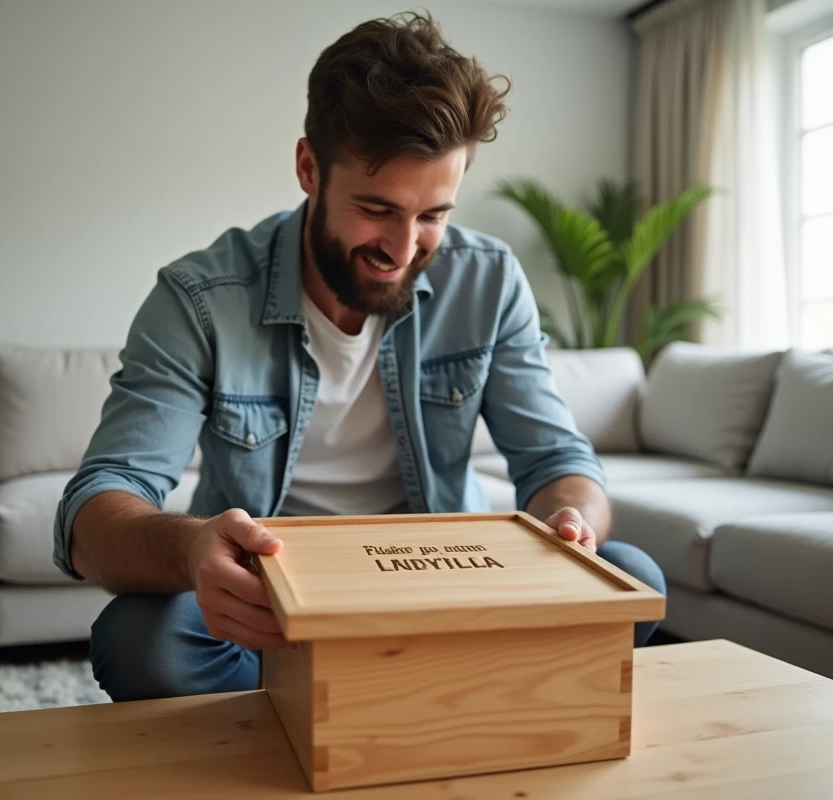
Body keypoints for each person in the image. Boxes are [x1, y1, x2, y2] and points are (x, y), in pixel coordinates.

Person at [53, 11, 666, 703]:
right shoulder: (200, 299)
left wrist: (570, 522)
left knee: (630, 576)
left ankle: (335, 701)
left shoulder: (489, 280)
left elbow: (558, 464)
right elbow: (95, 515)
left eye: (434, 215)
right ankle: (423, 696)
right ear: (309, 168)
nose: (404, 250)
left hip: (444, 587)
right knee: (145, 642)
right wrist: (195, 548)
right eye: (377, 209)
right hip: (275, 600)